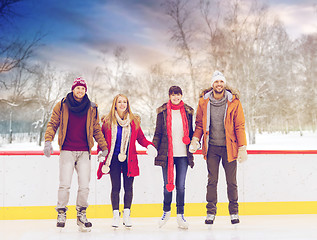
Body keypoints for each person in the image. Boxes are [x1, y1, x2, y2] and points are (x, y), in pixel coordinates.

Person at [43, 77, 108, 231]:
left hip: (84, 151)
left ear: (86, 90)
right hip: (67, 150)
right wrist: (48, 141)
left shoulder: (92, 107)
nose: (80, 91)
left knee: (84, 186)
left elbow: (96, 128)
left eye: (83, 88)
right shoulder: (62, 104)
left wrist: (103, 146)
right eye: (78, 88)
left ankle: (81, 214)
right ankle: (61, 212)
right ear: (73, 89)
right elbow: (53, 123)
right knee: (65, 184)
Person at [189, 70, 247, 225]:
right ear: (212, 84)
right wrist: (195, 139)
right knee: (212, 181)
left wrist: (242, 147)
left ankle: (234, 212)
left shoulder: (234, 102)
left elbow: (239, 126)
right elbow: (200, 124)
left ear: (224, 83)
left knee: (231, 182)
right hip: (212, 147)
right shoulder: (204, 102)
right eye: (216, 82)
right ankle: (210, 212)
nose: (219, 84)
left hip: (229, 148)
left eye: (221, 81)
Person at [97, 93, 157, 228]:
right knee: (116, 188)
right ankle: (115, 215)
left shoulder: (133, 121)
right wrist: (101, 153)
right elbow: (101, 140)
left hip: (129, 160)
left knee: (128, 188)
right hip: (113, 160)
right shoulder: (107, 121)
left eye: (124, 102)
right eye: (119, 102)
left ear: (127, 104)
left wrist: (149, 146)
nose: (122, 104)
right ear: (115, 104)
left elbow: (141, 138)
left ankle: (127, 215)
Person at [152, 86, 194, 229]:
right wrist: (153, 146)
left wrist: (195, 143)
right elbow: (157, 133)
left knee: (181, 186)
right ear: (169, 96)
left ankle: (180, 215)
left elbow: (192, 132)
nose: (176, 97)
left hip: (183, 155)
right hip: (167, 154)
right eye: (173, 95)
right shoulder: (162, 112)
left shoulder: (188, 112)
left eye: (178, 94)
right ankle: (166, 212)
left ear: (182, 96)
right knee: (167, 186)